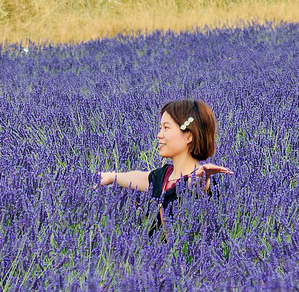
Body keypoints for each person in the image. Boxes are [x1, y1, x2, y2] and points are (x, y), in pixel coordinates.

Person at [98, 99, 232, 232]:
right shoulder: (164, 175)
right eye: (160, 128)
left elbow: (195, 186)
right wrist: (110, 176)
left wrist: (203, 179)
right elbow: (140, 177)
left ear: (189, 136)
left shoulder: (199, 180)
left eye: (166, 128)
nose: (159, 135)